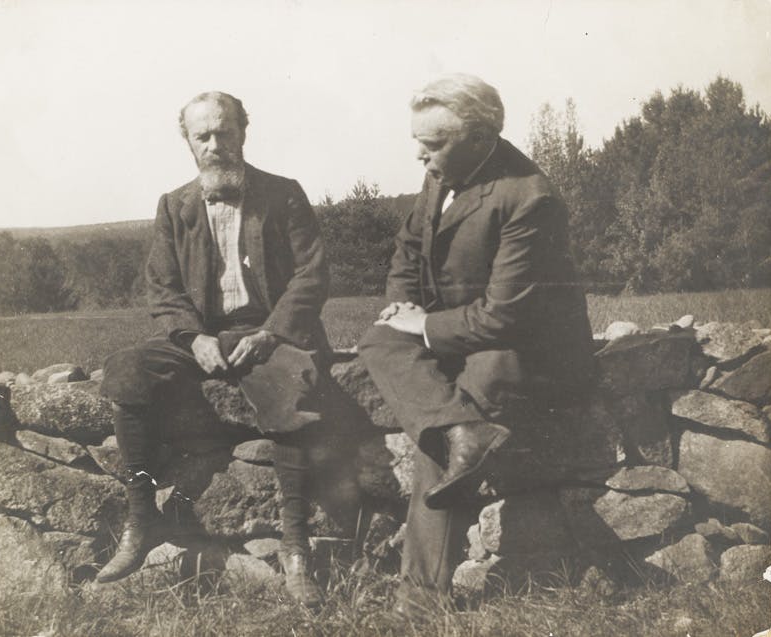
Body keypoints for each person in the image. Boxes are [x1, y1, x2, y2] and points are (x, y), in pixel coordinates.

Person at [358, 74, 594, 618]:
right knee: (379, 341)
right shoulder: (442, 174)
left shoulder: (530, 198)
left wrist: (423, 325)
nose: (419, 154)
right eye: (418, 141)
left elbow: (503, 317)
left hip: (525, 352)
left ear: (482, 138)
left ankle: (420, 599)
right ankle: (461, 430)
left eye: (433, 143)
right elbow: (406, 253)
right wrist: (401, 311)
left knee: (461, 403)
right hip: (463, 336)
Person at [97, 91, 329, 608]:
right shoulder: (174, 205)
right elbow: (163, 288)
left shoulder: (284, 194)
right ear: (188, 141)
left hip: (267, 334)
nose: (215, 144)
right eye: (202, 135)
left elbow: (311, 276)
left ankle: (296, 548)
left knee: (293, 386)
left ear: (243, 132)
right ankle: (141, 521)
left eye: (224, 132)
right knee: (126, 371)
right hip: (198, 337)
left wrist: (272, 333)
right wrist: (193, 337)